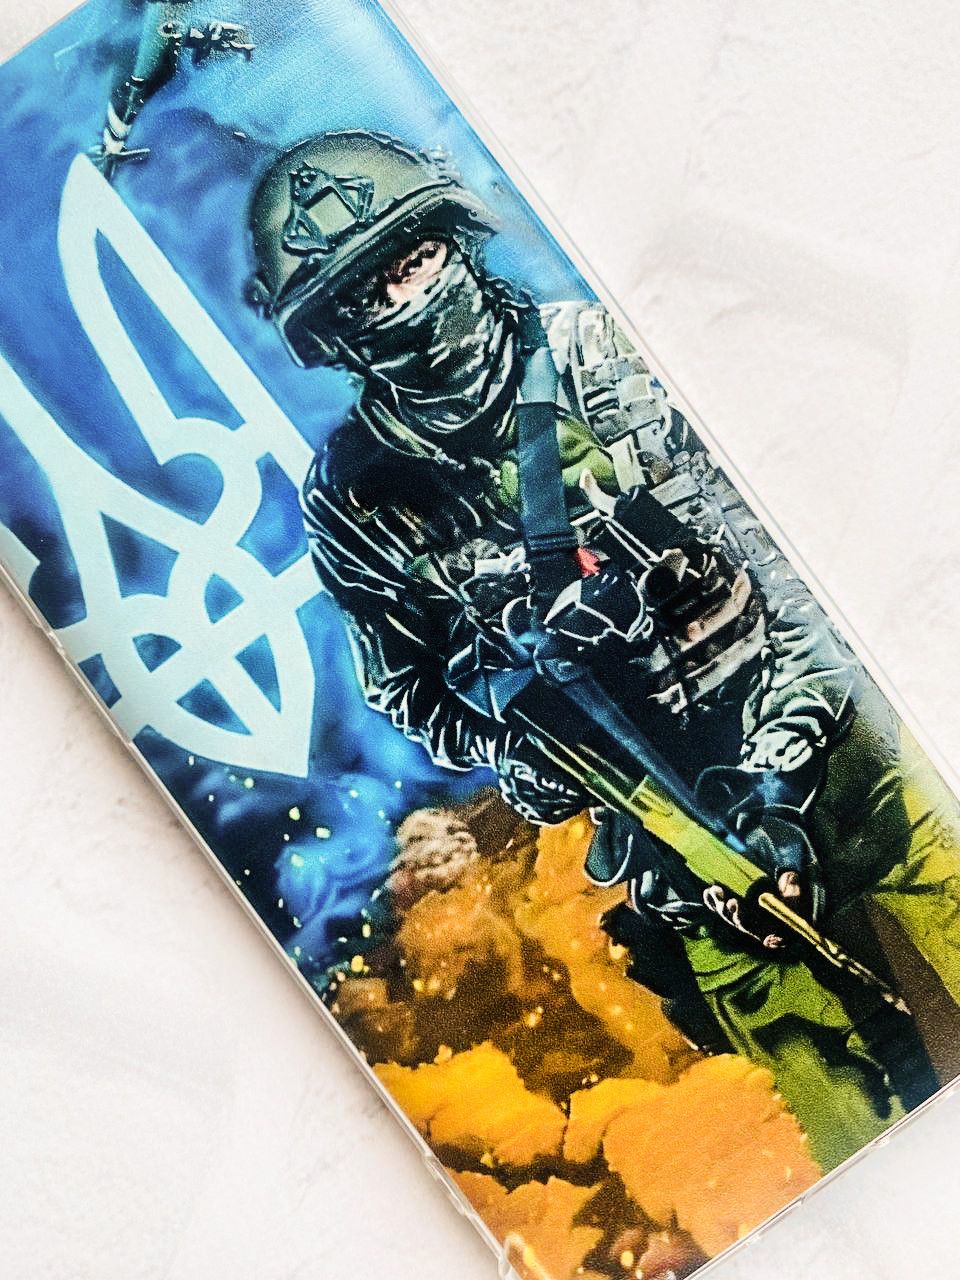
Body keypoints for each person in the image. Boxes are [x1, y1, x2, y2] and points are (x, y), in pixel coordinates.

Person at [247, 129, 958, 1168]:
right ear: (337, 335)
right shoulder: (355, 497)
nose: (410, 301)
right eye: (371, 294)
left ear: (456, 240)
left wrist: (775, 768)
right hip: (680, 861)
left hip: (846, 765)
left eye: (419, 259)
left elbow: (781, 568)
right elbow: (408, 686)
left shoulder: (595, 356)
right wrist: (520, 749)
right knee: (860, 1152)